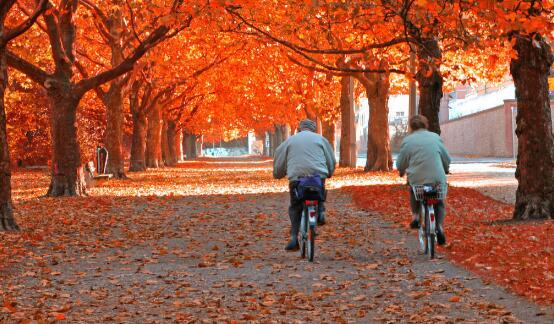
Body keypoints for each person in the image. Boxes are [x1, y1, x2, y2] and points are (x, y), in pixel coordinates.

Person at [273, 119, 336, 251]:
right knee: (318, 193)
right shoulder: (321, 140)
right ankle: (320, 210)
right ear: (314, 129)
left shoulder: (290, 141)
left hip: (297, 179)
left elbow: (279, 157)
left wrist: (278, 173)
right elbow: (331, 160)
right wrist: (329, 173)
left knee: (295, 206)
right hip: (318, 178)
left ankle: (294, 238)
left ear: (299, 128)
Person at [396, 115, 451, 245]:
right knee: (439, 200)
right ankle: (439, 227)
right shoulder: (435, 137)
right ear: (425, 124)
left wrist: (401, 171)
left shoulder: (408, 141)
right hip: (437, 178)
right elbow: (446, 158)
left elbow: (400, 163)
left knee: (413, 190)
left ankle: (415, 216)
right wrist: (446, 168)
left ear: (411, 127)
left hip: (417, 178)